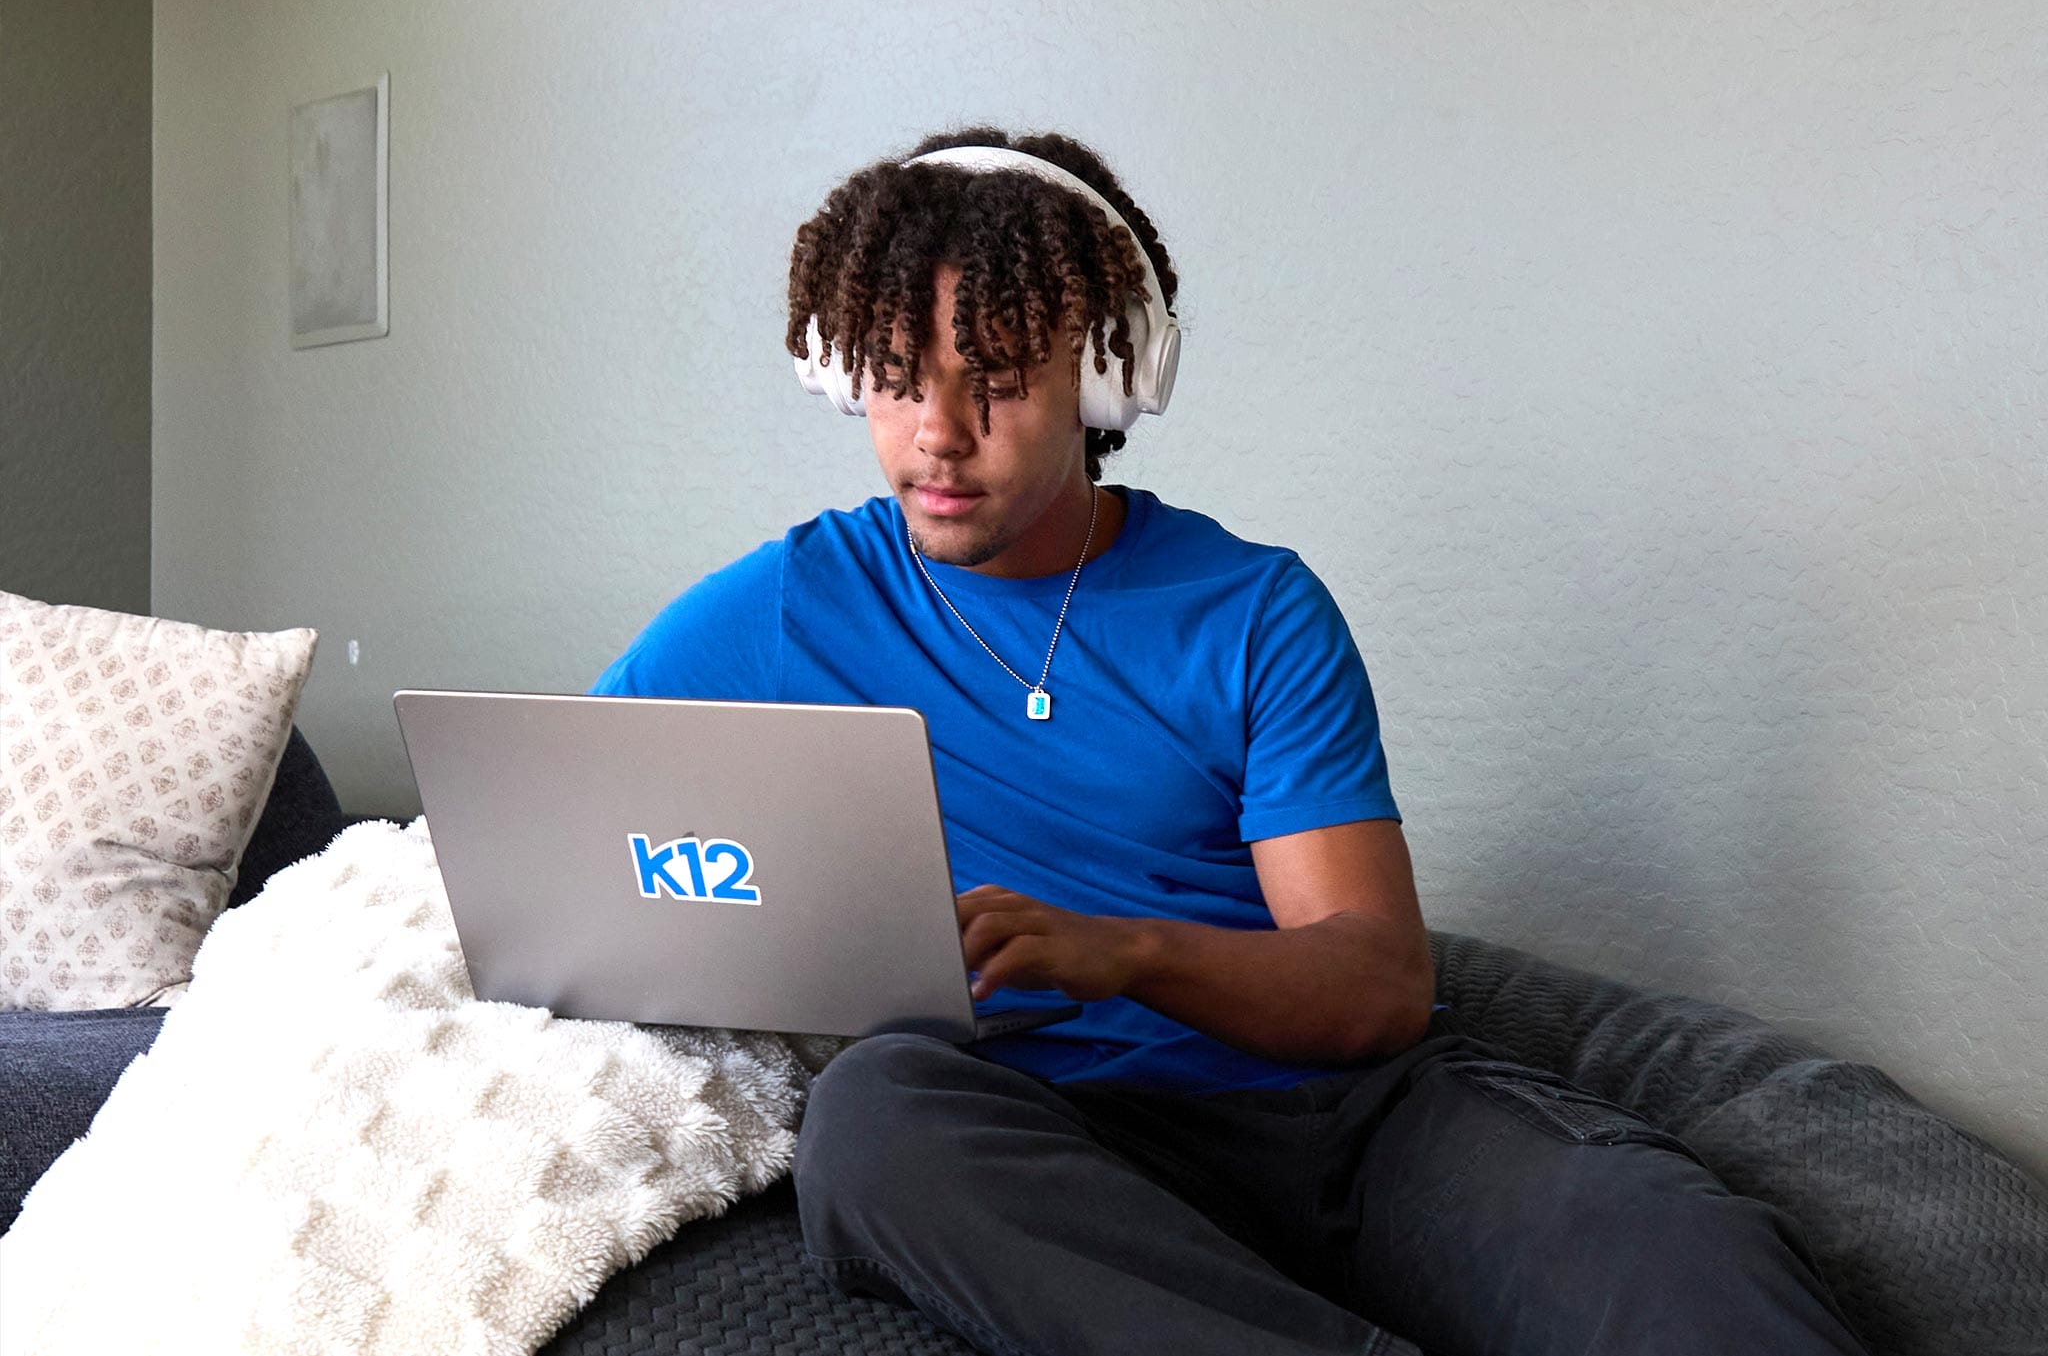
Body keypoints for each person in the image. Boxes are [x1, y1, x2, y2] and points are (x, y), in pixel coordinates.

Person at [592, 127, 1866, 1356]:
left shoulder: (1252, 608)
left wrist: (1122, 952)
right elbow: (569, 814)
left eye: (993, 383)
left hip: (1338, 1124)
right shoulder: (785, 605)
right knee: (873, 1127)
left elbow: (1372, 985)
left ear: (1103, 380)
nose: (935, 431)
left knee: (1666, 1245)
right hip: (1033, 1126)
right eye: (894, 377)